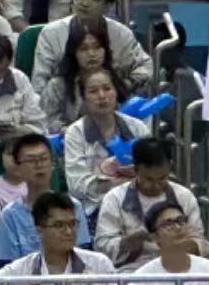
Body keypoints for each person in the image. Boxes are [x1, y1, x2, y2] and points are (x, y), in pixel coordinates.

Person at [29, 0, 151, 100]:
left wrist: (123, 86)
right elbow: (39, 84)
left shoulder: (122, 34)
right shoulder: (51, 33)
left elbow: (147, 67)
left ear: (107, 6)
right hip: (64, 103)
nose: (84, 3)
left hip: (110, 101)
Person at [92, 137, 208, 267]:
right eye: (148, 179)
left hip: (176, 268)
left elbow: (200, 241)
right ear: (135, 169)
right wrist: (130, 241)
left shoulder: (184, 197)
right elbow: (101, 247)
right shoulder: (115, 198)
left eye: (162, 178)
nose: (155, 185)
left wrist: (188, 245)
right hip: (132, 271)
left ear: (170, 167)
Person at [0, 130, 87, 265]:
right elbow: (6, 265)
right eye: (31, 160)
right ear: (18, 168)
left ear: (53, 165)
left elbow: (83, 255)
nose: (39, 165)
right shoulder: (10, 215)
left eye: (43, 159)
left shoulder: (73, 205)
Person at [62, 67, 146, 202]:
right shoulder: (75, 133)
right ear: (83, 98)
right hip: (94, 206)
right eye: (93, 91)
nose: (102, 96)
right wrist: (116, 184)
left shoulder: (137, 127)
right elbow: (76, 185)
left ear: (116, 92)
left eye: (107, 89)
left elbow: (153, 169)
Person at [37, 14, 119, 134]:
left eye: (97, 47)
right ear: (73, 53)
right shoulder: (57, 85)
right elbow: (45, 122)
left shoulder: (115, 79)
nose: (91, 54)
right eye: (84, 49)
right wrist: (70, 131)